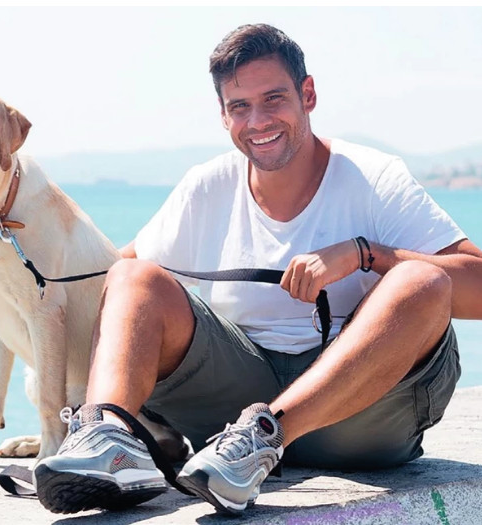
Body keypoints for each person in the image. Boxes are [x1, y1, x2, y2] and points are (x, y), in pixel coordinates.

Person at [29, 23, 482, 515]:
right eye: (240, 106)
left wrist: (365, 254)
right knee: (132, 278)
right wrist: (2, 290)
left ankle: (267, 435)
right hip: (228, 426)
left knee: (421, 279)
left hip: (358, 416)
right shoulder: (207, 187)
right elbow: (114, 278)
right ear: (223, 115)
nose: (258, 120)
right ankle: (111, 443)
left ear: (308, 95)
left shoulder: (374, 177)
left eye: (273, 99)